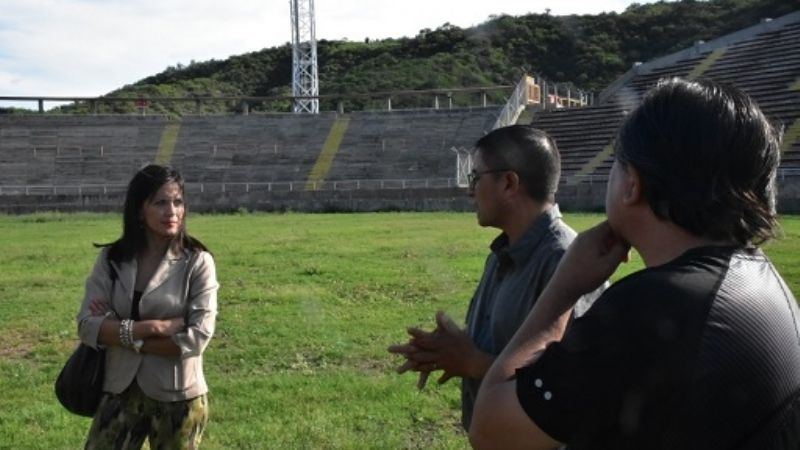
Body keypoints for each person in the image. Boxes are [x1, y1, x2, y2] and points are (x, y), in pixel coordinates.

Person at [470, 78, 800, 450]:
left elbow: (492, 429)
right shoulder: (759, 277)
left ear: (632, 185)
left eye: (616, 163)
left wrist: (565, 286)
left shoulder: (658, 307)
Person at [388, 125, 602, 430]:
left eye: (475, 177)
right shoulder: (502, 254)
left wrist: (473, 362)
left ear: (509, 183)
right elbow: (503, 344)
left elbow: (573, 387)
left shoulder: (565, 261)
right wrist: (445, 349)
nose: (469, 190)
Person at [76, 164, 219, 450]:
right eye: (160, 202)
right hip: (120, 389)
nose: (172, 212)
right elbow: (87, 325)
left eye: (178, 202)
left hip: (178, 396)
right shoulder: (113, 258)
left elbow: (196, 338)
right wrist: (151, 329)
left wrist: (122, 335)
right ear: (140, 209)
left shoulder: (197, 262)